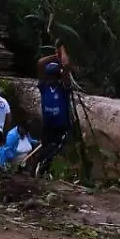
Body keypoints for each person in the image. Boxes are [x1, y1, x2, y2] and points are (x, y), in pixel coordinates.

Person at [31, 41, 73, 179]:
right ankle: (39, 171)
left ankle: (43, 170)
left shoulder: (63, 88)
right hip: (48, 125)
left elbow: (66, 65)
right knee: (45, 147)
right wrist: (56, 55)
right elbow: (40, 63)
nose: (49, 79)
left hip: (61, 125)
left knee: (55, 149)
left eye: (52, 76)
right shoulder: (43, 87)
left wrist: (62, 48)